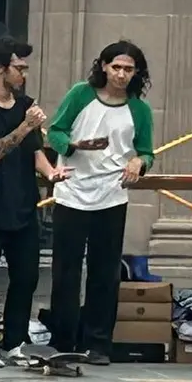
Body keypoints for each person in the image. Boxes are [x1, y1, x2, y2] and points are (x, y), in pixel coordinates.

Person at [45, 40, 154, 364]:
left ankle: (97, 343)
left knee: (105, 272)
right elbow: (55, 132)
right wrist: (74, 145)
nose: (121, 74)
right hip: (73, 192)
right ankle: (62, 340)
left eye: (128, 69)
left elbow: (147, 150)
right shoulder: (81, 94)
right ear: (104, 66)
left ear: (137, 73)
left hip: (112, 195)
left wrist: (140, 163)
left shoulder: (140, 109)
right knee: (66, 270)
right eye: (116, 67)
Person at [0, 35, 67, 368]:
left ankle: (15, 340)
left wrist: (51, 174)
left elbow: (34, 150)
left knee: (26, 276)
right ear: (0, 68)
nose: (23, 74)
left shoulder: (25, 104)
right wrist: (24, 127)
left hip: (22, 203)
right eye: (19, 68)